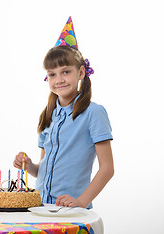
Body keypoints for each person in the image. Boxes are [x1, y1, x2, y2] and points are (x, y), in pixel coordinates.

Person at [13, 17, 114, 209]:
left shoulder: (94, 113)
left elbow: (107, 169)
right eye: (52, 74)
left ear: (81, 73)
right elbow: (43, 168)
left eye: (66, 72)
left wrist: (81, 202)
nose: (58, 79)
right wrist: (29, 165)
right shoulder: (48, 115)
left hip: (72, 210)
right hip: (40, 207)